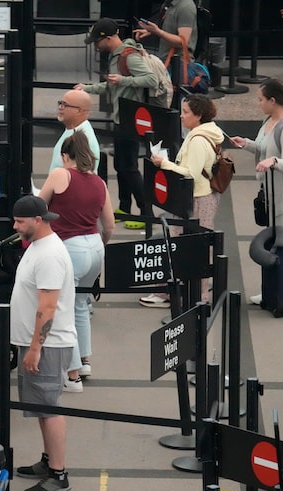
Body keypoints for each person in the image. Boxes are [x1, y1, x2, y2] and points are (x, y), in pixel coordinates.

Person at [11, 195, 76, 491]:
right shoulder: (39, 247)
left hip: (47, 346)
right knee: (41, 406)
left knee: (49, 409)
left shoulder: (49, 255)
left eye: (20, 221)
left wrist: (35, 348)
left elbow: (48, 307)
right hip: (36, 343)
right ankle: (49, 462)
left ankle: (59, 476)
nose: (15, 226)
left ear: (38, 221)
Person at [38, 132, 115, 392]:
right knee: (81, 305)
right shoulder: (99, 183)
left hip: (69, 246)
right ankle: (84, 360)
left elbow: (39, 204)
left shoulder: (61, 174)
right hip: (94, 246)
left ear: (65, 155)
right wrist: (100, 245)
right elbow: (110, 224)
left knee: (63, 310)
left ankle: (72, 376)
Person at [142, 93, 224, 308]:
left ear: (198, 116)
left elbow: (191, 173)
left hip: (195, 198)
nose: (181, 116)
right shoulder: (207, 133)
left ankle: (193, 295)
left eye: (186, 112)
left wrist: (164, 164)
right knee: (193, 245)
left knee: (187, 245)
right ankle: (187, 292)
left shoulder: (197, 139)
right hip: (201, 197)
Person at [76, 18, 159, 230]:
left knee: (129, 167)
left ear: (109, 38)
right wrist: (87, 88)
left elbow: (151, 80)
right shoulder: (116, 56)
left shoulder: (128, 56)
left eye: (97, 41)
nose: (95, 46)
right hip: (120, 119)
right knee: (120, 165)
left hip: (131, 120)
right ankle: (124, 207)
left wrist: (124, 81)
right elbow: (110, 85)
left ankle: (145, 211)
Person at [230, 79, 283, 305]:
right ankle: (272, 290)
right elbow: (263, 147)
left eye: (261, 100)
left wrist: (273, 161)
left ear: (273, 100)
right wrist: (247, 144)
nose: (258, 103)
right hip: (269, 192)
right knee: (273, 242)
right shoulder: (268, 121)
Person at [48, 89, 100, 174]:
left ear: (79, 110)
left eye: (65, 105)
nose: (60, 108)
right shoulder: (73, 129)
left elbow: (82, 178)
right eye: (60, 103)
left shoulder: (82, 138)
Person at [133, 0, 197, 65]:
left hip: (179, 65)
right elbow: (169, 30)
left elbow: (182, 42)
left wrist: (158, 32)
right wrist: (151, 31)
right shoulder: (168, 3)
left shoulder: (186, 7)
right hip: (165, 60)